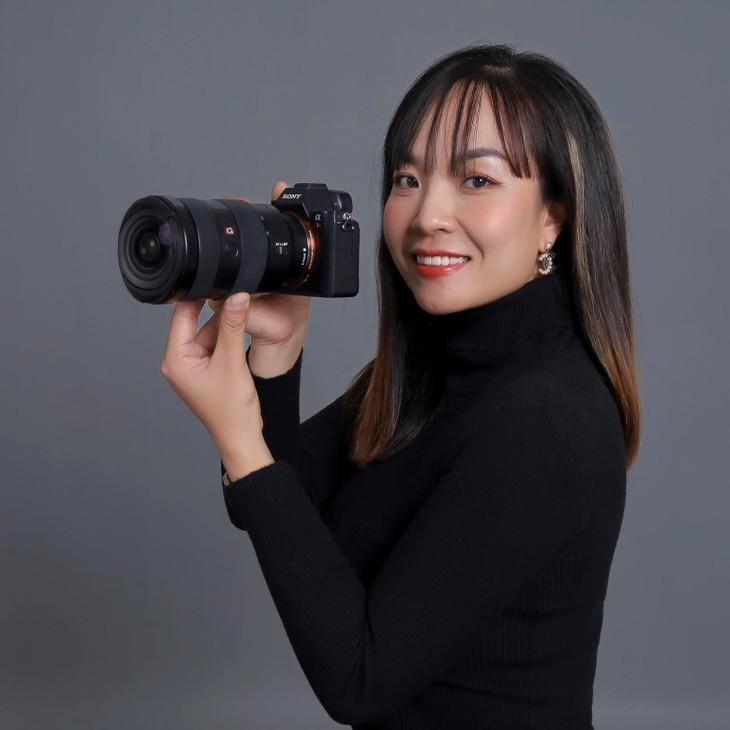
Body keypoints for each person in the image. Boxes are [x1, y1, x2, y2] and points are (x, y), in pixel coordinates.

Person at [160, 43, 640, 730]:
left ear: (554, 217)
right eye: (407, 179)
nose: (427, 216)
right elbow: (275, 502)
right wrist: (277, 349)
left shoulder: (546, 420)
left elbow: (358, 680)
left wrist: (237, 437)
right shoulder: (432, 371)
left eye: (477, 180)